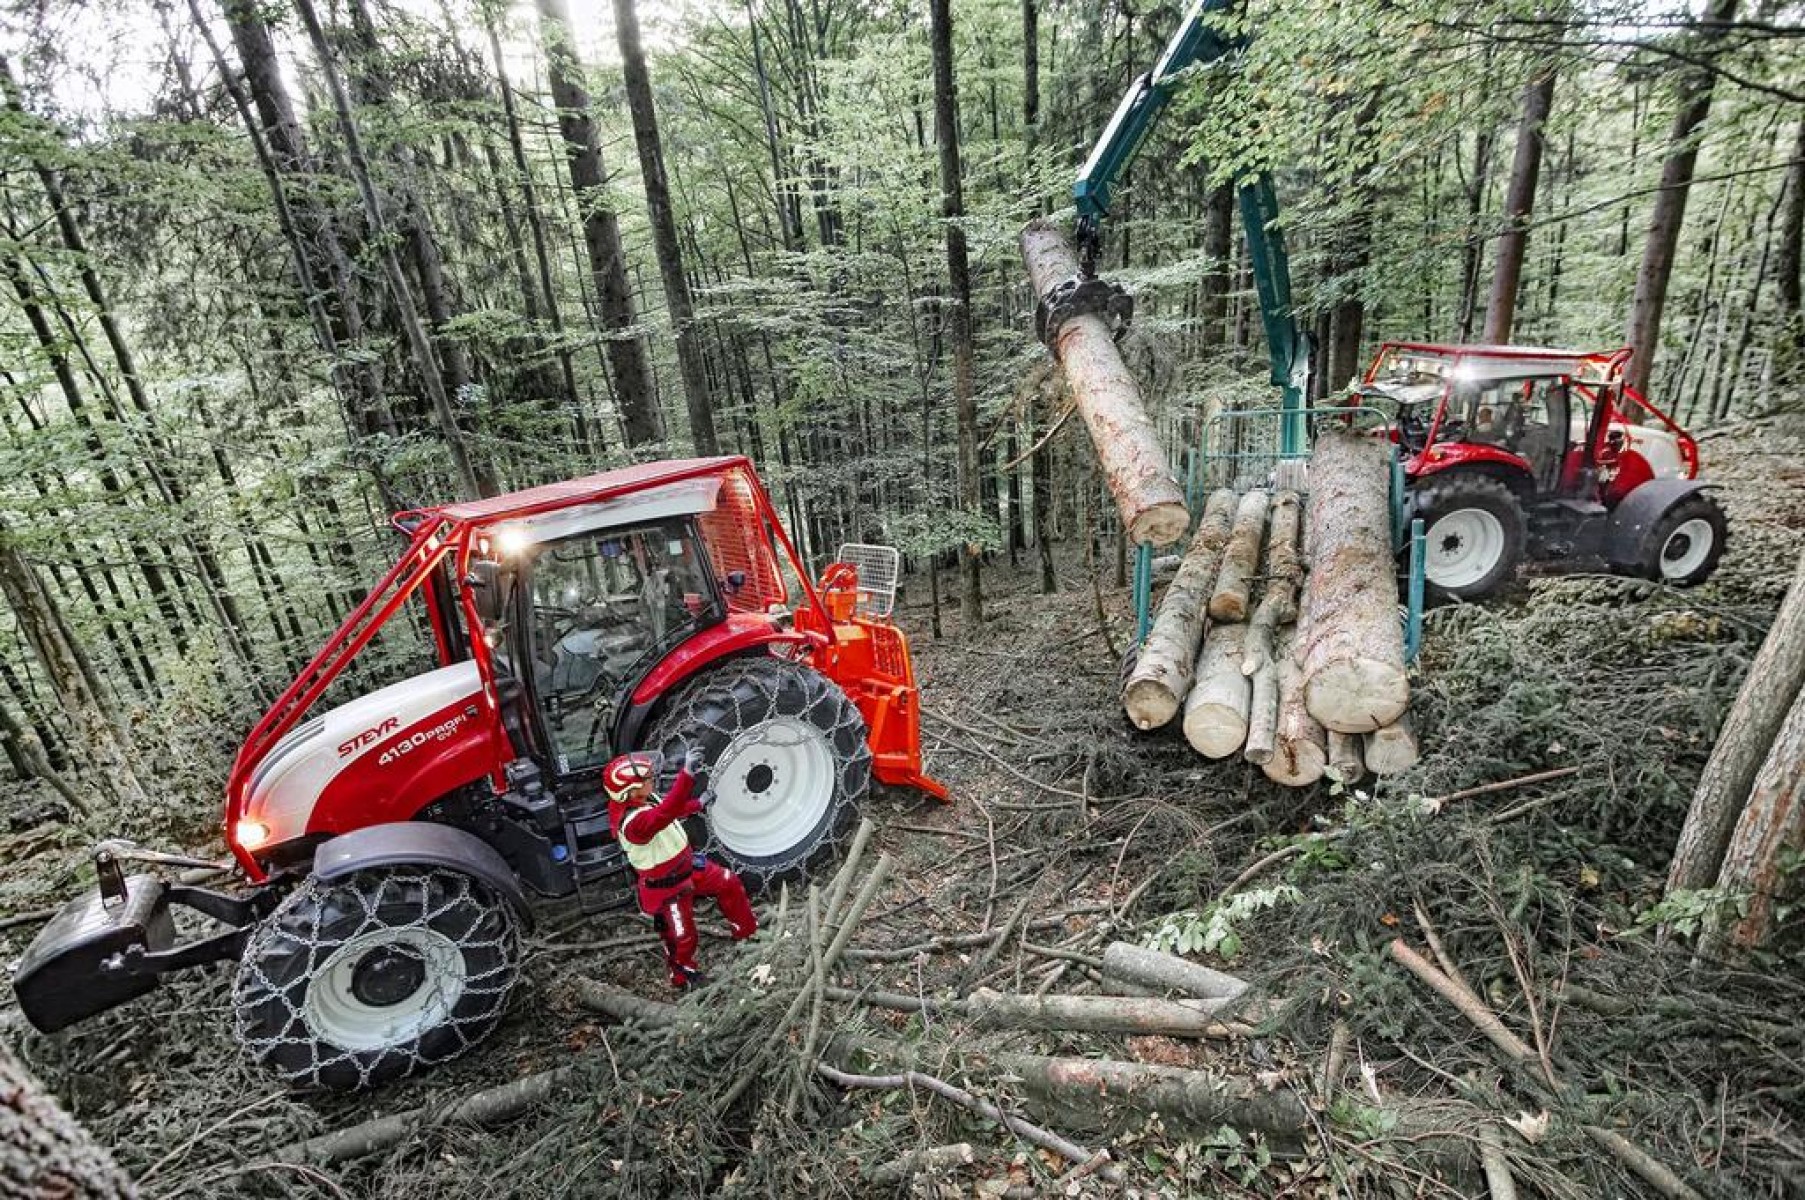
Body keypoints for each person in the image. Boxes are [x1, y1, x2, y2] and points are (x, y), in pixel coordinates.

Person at [603, 749, 758, 987]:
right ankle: (683, 973)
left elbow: (670, 809)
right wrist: (686, 775)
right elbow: (664, 814)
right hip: (667, 889)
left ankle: (747, 932)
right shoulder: (635, 823)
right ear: (630, 791)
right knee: (681, 936)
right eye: (647, 779)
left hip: (687, 866)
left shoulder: (646, 798)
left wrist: (698, 804)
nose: (652, 780)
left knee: (728, 882)